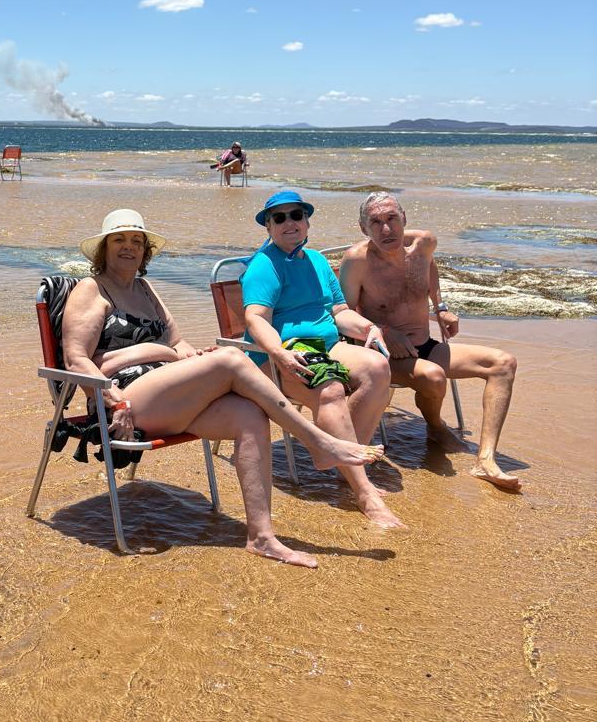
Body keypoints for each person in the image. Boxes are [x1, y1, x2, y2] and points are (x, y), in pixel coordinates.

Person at [63, 208, 383, 568]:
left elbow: (178, 343)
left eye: (136, 241)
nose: (129, 247)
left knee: (248, 415)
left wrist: (193, 355)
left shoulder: (144, 288)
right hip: (124, 400)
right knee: (231, 360)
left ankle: (261, 537)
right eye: (119, 240)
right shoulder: (91, 289)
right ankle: (318, 440)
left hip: (167, 394)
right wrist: (115, 399)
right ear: (103, 249)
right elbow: (75, 360)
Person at [241, 190, 404, 529]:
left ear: (306, 221)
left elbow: (339, 312)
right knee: (329, 387)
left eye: (296, 215)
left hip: (325, 343)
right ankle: (364, 491)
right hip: (285, 349)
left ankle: (338, 457)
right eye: (280, 218)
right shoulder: (264, 265)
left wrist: (369, 328)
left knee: (377, 366)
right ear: (268, 226)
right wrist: (278, 352)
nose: (290, 223)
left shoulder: (315, 261)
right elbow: (255, 318)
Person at [339, 192, 520, 491]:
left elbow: (429, 266)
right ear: (363, 229)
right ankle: (435, 427)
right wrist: (382, 330)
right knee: (433, 377)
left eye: (391, 219)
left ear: (404, 219)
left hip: (426, 346)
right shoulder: (357, 260)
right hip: (383, 356)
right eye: (376, 223)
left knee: (503, 363)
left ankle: (485, 460)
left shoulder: (424, 245)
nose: (386, 229)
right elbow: (343, 312)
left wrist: (441, 306)